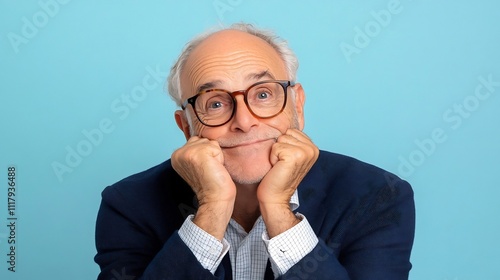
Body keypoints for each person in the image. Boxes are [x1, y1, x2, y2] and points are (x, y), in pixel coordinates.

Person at [94, 23, 415, 280]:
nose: (244, 122)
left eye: (263, 94)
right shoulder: (128, 205)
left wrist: (278, 209)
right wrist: (212, 208)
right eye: (216, 103)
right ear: (186, 127)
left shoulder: (379, 196)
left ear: (297, 106)